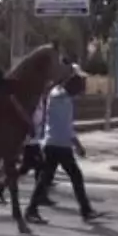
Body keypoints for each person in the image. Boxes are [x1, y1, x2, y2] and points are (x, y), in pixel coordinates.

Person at [23, 69, 101, 224]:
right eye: (79, 89)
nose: (80, 94)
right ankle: (85, 210)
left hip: (52, 143)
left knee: (46, 179)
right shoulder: (63, 100)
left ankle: (32, 209)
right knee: (74, 177)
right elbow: (67, 127)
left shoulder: (55, 94)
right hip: (60, 145)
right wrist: (78, 145)